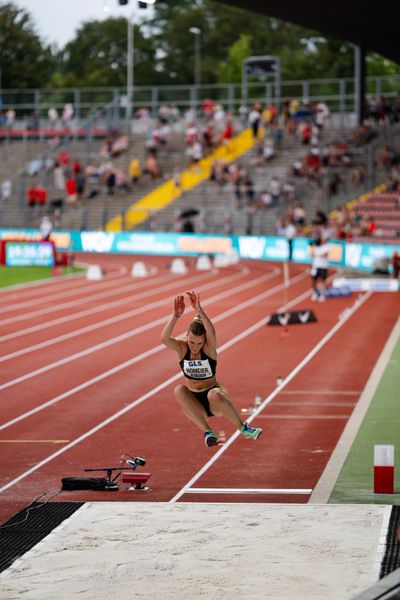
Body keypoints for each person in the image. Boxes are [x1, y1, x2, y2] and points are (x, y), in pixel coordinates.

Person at [161, 291, 263, 447]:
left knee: (214, 394)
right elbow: (165, 339)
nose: (195, 347)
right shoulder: (182, 348)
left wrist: (199, 309)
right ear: (187, 336)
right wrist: (175, 316)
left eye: (199, 343)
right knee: (178, 390)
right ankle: (208, 432)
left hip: (213, 399)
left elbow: (212, 332)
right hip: (195, 403)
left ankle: (243, 428)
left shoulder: (209, 350)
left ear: (205, 342)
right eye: (192, 342)